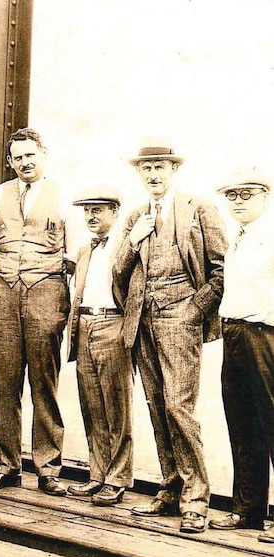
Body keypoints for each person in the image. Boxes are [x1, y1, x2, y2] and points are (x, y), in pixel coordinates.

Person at [113, 138, 226, 533]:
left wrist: (193, 312)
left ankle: (196, 500)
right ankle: (171, 485)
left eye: (160, 167)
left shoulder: (200, 209)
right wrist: (133, 240)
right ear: (139, 173)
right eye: (146, 168)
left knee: (180, 407)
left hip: (180, 321)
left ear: (174, 170)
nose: (153, 174)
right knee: (157, 405)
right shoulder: (136, 216)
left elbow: (219, 272)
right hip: (142, 321)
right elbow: (118, 272)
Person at [0, 128, 71, 496]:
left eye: (31, 155)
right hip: (3, 295)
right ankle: (7, 465)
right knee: (5, 382)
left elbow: (75, 256)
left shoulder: (62, 196)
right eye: (18, 157)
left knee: (44, 383)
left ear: (44, 154)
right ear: (10, 161)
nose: (24, 162)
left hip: (45, 293)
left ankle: (48, 468)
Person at [206, 167, 274, 543]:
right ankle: (248, 512)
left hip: (265, 335)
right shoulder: (239, 239)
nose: (238, 203)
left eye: (246, 195)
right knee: (242, 423)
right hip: (233, 333)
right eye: (231, 196)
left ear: (265, 196)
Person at [65, 187, 133, 506]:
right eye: (87, 210)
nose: (91, 216)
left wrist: (126, 331)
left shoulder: (125, 246)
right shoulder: (85, 249)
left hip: (113, 325)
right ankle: (98, 474)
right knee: (92, 404)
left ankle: (118, 478)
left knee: (116, 406)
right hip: (84, 326)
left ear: (115, 212)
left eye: (99, 210)